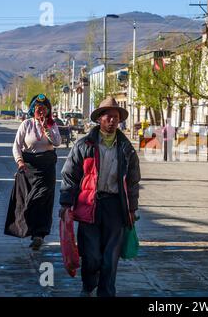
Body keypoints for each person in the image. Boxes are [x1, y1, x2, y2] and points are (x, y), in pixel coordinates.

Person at [59, 96, 141, 297]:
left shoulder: (126, 148)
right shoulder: (83, 145)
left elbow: (132, 181)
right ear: (99, 119)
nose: (113, 121)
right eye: (108, 117)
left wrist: (132, 208)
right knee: (92, 255)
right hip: (89, 206)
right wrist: (66, 203)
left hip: (115, 207)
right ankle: (88, 286)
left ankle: (106, 292)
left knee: (110, 258)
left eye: (116, 117)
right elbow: (70, 175)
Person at [6, 94, 61, 251]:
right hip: (29, 167)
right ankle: (31, 230)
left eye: (44, 109)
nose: (41, 112)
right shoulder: (26, 124)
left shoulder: (52, 124)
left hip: (47, 168)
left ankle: (39, 235)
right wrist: (20, 161)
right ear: (33, 110)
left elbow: (57, 142)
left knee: (42, 199)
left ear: (48, 110)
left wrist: (46, 128)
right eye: (38, 109)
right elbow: (16, 146)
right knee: (28, 202)